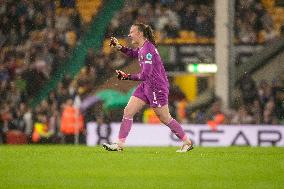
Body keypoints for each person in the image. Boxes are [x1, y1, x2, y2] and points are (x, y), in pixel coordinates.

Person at [102, 23, 193, 152]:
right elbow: (134, 53)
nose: (129, 34)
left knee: (164, 117)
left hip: (156, 87)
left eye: (132, 32)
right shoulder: (144, 48)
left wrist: (126, 76)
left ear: (140, 33)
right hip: (147, 85)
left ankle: (187, 142)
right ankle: (119, 144)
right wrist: (119, 47)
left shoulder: (147, 50)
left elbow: (145, 74)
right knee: (128, 111)